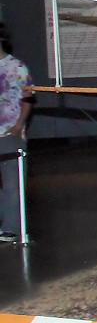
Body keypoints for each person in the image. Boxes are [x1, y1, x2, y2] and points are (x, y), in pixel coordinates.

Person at [0, 24, 35, 243]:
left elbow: (28, 98)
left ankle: (11, 228)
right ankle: (9, 219)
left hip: (9, 134)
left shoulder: (16, 67)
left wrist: (18, 125)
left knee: (13, 184)